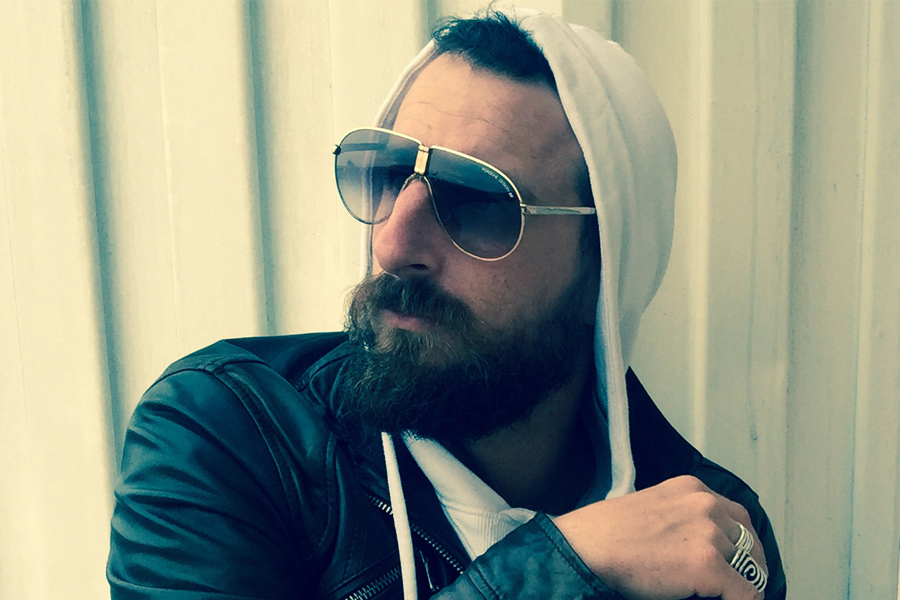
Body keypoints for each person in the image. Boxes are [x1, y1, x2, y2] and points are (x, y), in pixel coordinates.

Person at [108, 9, 786, 600]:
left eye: (479, 202)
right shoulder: (230, 433)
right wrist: (563, 567)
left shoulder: (705, 533)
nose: (391, 244)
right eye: (387, 174)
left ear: (603, 268)